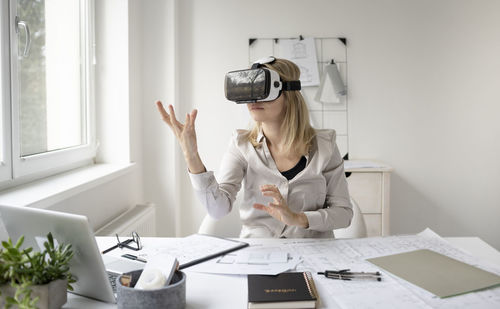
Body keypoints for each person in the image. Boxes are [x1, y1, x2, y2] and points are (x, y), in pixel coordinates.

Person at [156, 57, 353, 238]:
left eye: (262, 90)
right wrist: (191, 155)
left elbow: (343, 214)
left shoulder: (325, 145)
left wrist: (298, 218)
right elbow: (218, 209)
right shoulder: (241, 144)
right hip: (259, 254)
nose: (253, 100)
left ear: (288, 94)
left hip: (314, 256)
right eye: (250, 91)